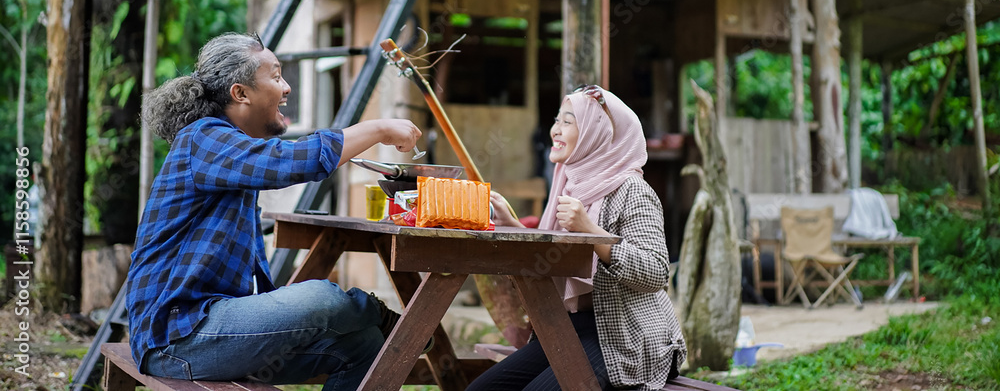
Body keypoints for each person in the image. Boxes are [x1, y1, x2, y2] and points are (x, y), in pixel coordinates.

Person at [126, 32, 420, 390]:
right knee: (326, 298)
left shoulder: (234, 151)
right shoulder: (202, 138)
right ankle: (390, 320)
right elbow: (291, 161)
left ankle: (382, 324)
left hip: (213, 331)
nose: (286, 88)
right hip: (175, 338)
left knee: (364, 346)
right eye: (276, 76)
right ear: (241, 93)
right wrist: (379, 128)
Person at [475, 85, 687, 391]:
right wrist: (514, 227)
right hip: (568, 328)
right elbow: (559, 254)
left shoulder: (633, 190)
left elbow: (656, 272)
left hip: (625, 336)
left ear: (595, 132)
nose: (555, 130)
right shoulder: (569, 185)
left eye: (567, 122)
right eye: (556, 120)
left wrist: (591, 232)